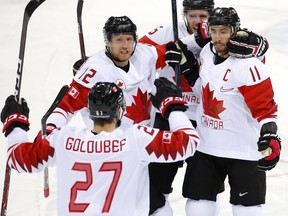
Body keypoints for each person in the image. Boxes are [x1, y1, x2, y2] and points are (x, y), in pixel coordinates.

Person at [139, 0, 269, 215]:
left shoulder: (225, 35)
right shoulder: (167, 31)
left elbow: (256, 55)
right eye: (193, 16)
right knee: (156, 184)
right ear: (184, 16)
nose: (198, 21)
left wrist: (261, 45)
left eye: (203, 16)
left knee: (203, 190)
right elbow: (136, 54)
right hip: (168, 117)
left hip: (205, 121)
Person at [0, 78, 200, 216]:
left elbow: (19, 159)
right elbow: (189, 143)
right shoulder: (136, 140)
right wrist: (172, 107)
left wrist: (16, 125)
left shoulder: (63, 139)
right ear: (120, 111)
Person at [174, 7, 280, 216]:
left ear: (235, 31)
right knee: (197, 202)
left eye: (223, 31)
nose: (217, 37)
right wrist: (187, 68)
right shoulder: (206, 53)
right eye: (214, 31)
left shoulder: (249, 65)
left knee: (246, 209)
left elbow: (265, 108)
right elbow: (205, 91)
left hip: (243, 149)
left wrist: (269, 134)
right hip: (206, 146)